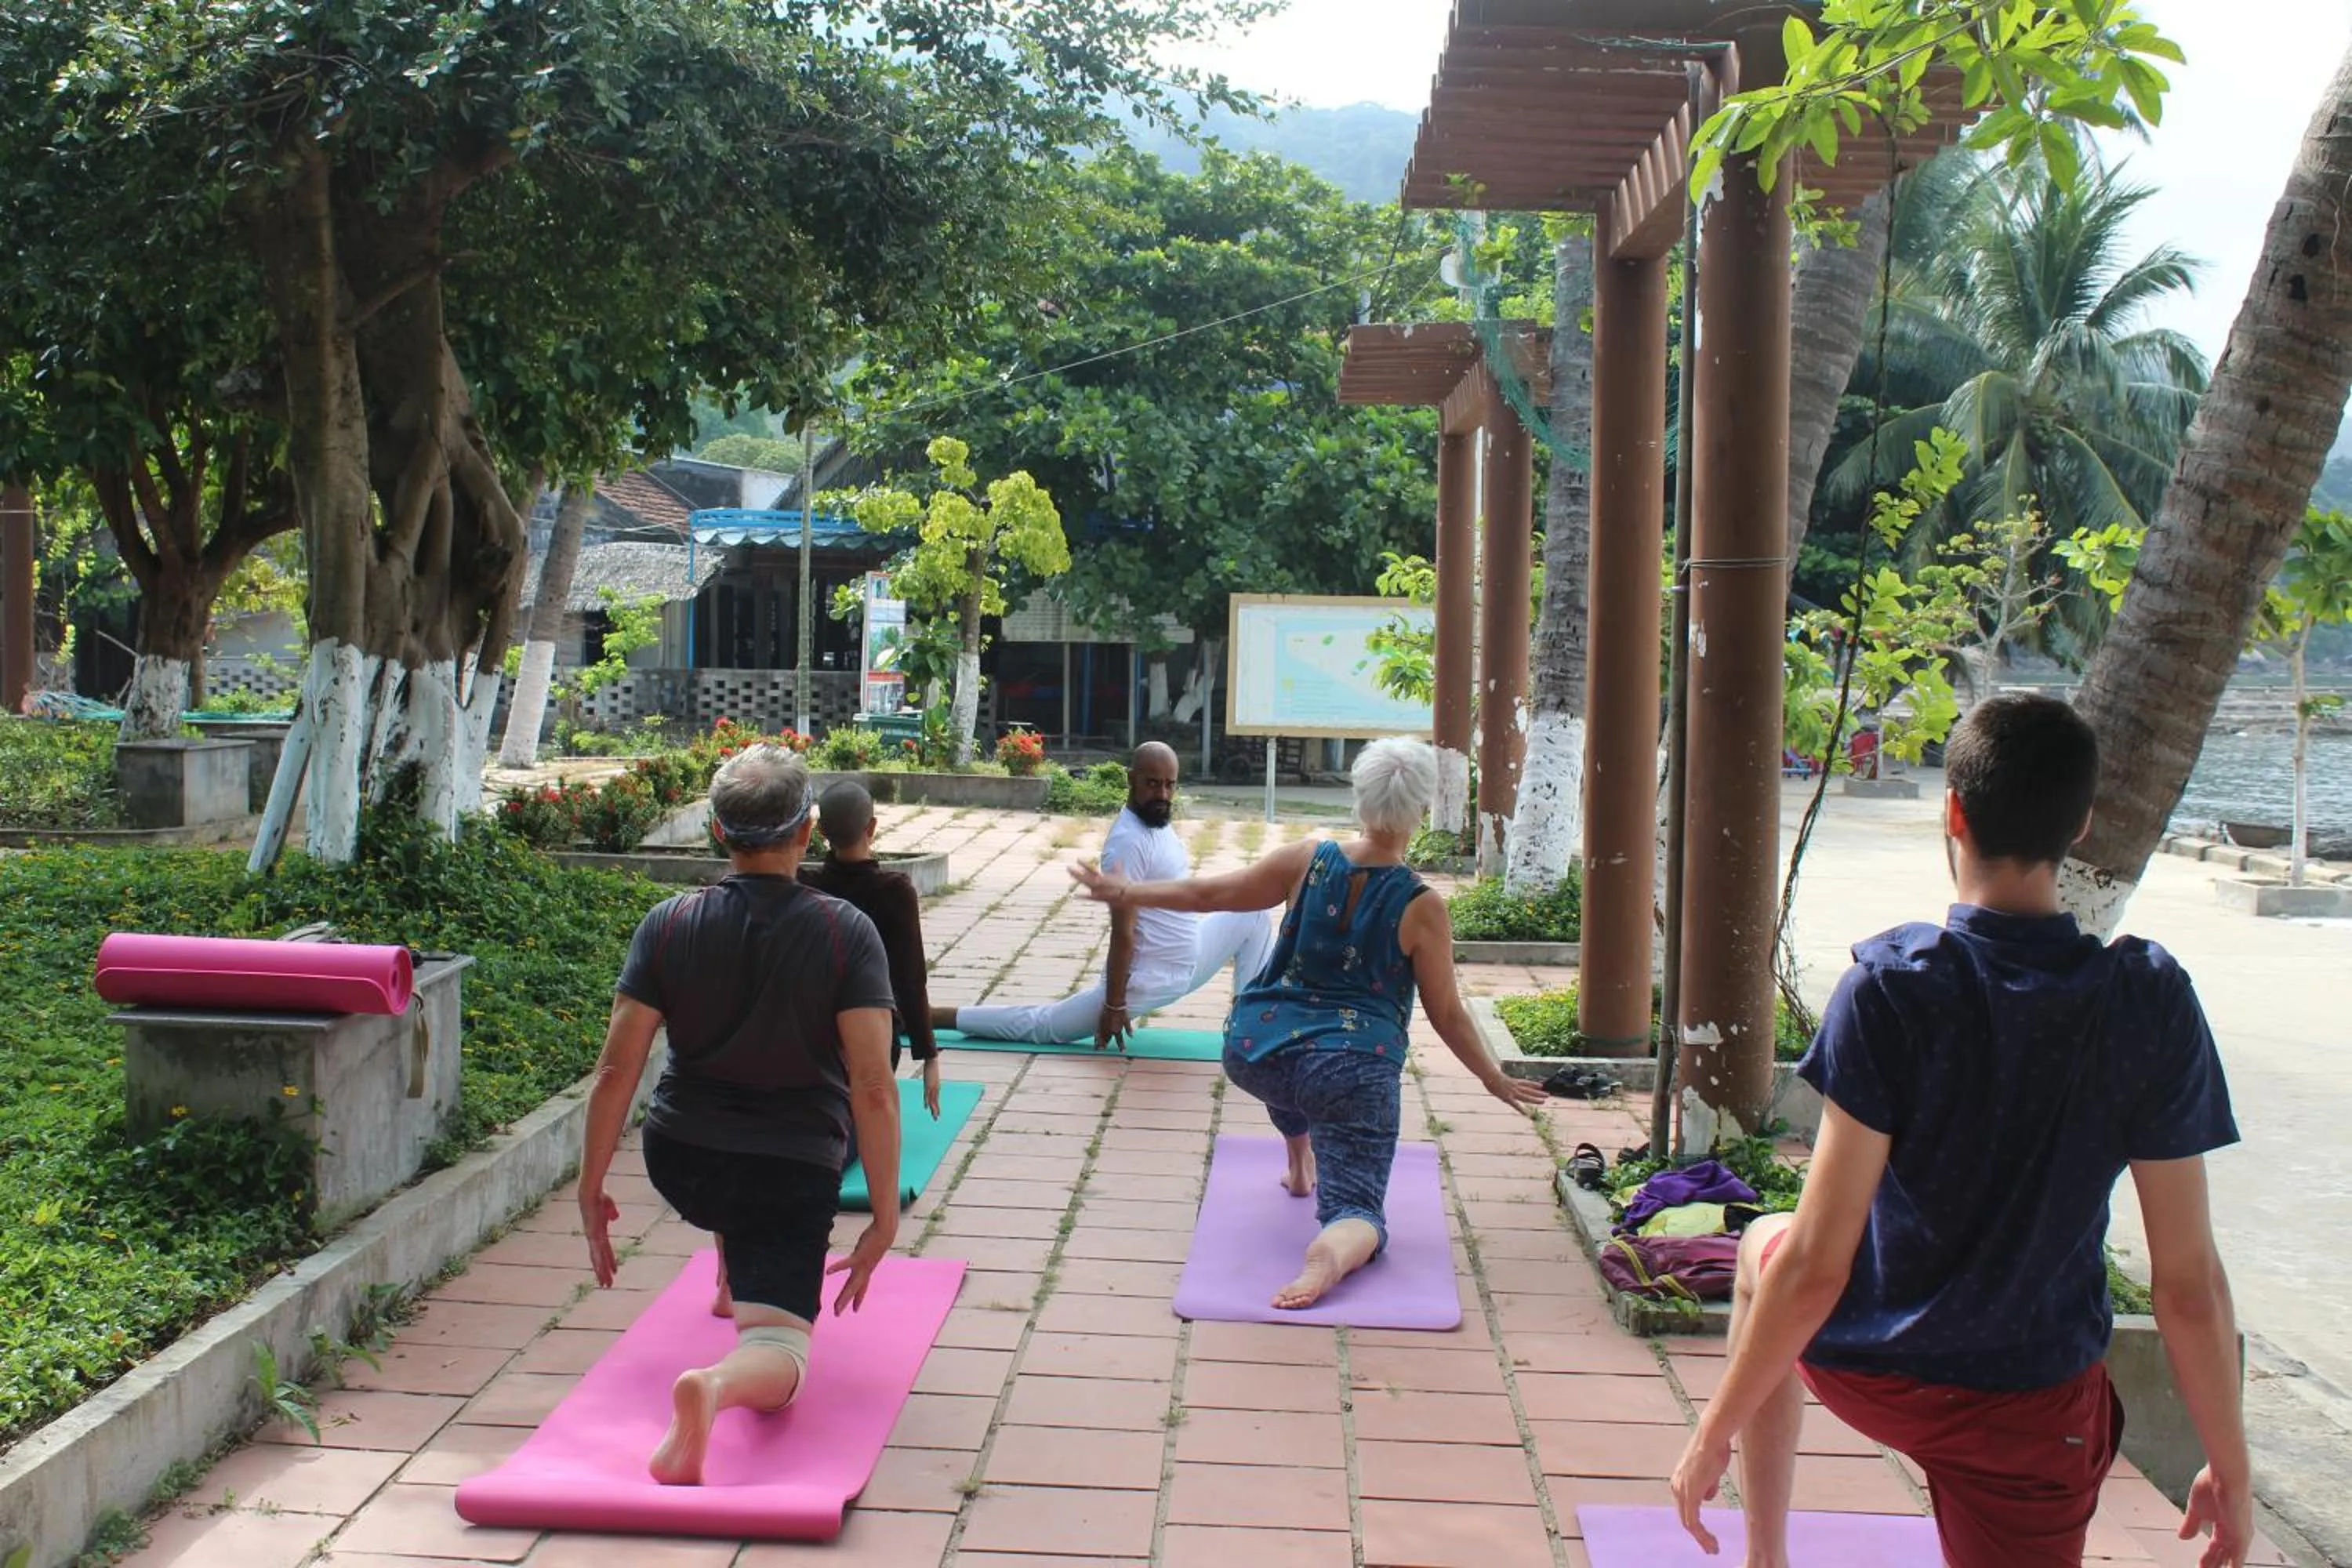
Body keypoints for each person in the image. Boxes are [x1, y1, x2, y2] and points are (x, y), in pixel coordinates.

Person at [1668, 695, 2250, 1568]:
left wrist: (1714, 1431)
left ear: (1954, 811)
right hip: (2033, 1406)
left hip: (1878, 1365)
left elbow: (1819, 1262)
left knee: (1766, 1246)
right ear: (2081, 824)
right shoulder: (2148, 1000)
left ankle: (1766, 1557)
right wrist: (2230, 1464)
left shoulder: (1894, 986)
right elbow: (2189, 1283)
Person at [1070, 737, 1546, 1308]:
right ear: (1421, 811)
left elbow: (1211, 893)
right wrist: (1492, 1077)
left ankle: (1300, 1164)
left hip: (1257, 1048)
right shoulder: (1423, 906)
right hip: (1352, 1071)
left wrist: (1128, 890)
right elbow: (1446, 1013)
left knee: (1295, 1072)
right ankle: (1338, 1244)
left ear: (1360, 800)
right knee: (1357, 1207)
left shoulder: (1307, 858)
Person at [576, 744, 902, 1487]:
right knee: (783, 1355)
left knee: (735, 1134)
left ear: (719, 834)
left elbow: (616, 1069)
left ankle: (731, 1278)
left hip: (682, 1161)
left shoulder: (668, 922)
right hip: (785, 1169)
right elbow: (875, 1087)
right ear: (808, 832)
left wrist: (591, 1186)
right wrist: (883, 1216)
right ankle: (715, 1389)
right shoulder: (845, 931)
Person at [933, 741, 1276, 1051]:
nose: (1163, 794)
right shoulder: (1127, 844)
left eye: (1170, 784)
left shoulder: (1156, 820)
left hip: (1190, 959)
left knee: (1255, 915)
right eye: (1152, 784)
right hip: (1150, 979)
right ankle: (936, 1016)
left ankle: (1247, 1031)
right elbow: (1123, 934)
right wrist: (1113, 1005)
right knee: (1046, 1025)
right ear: (1132, 779)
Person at [799, 779, 943, 1125]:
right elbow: (910, 979)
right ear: (872, 828)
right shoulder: (894, 892)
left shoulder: (805, 886)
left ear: (820, 832)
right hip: (875, 1039)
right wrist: (929, 1056)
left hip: (814, 1037)